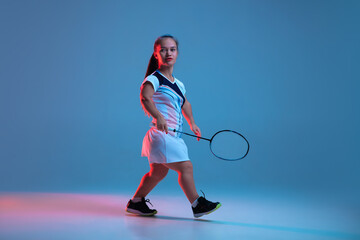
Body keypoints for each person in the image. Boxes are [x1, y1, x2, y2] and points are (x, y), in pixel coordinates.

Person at [125, 35, 221, 218]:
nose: (168, 53)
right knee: (186, 167)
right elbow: (145, 97)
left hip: (172, 135)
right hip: (161, 134)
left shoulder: (179, 84)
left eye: (172, 49)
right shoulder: (154, 79)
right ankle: (197, 204)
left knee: (157, 173)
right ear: (156, 54)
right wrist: (158, 116)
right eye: (163, 50)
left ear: (177, 53)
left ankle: (136, 202)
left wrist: (193, 123)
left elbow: (185, 104)